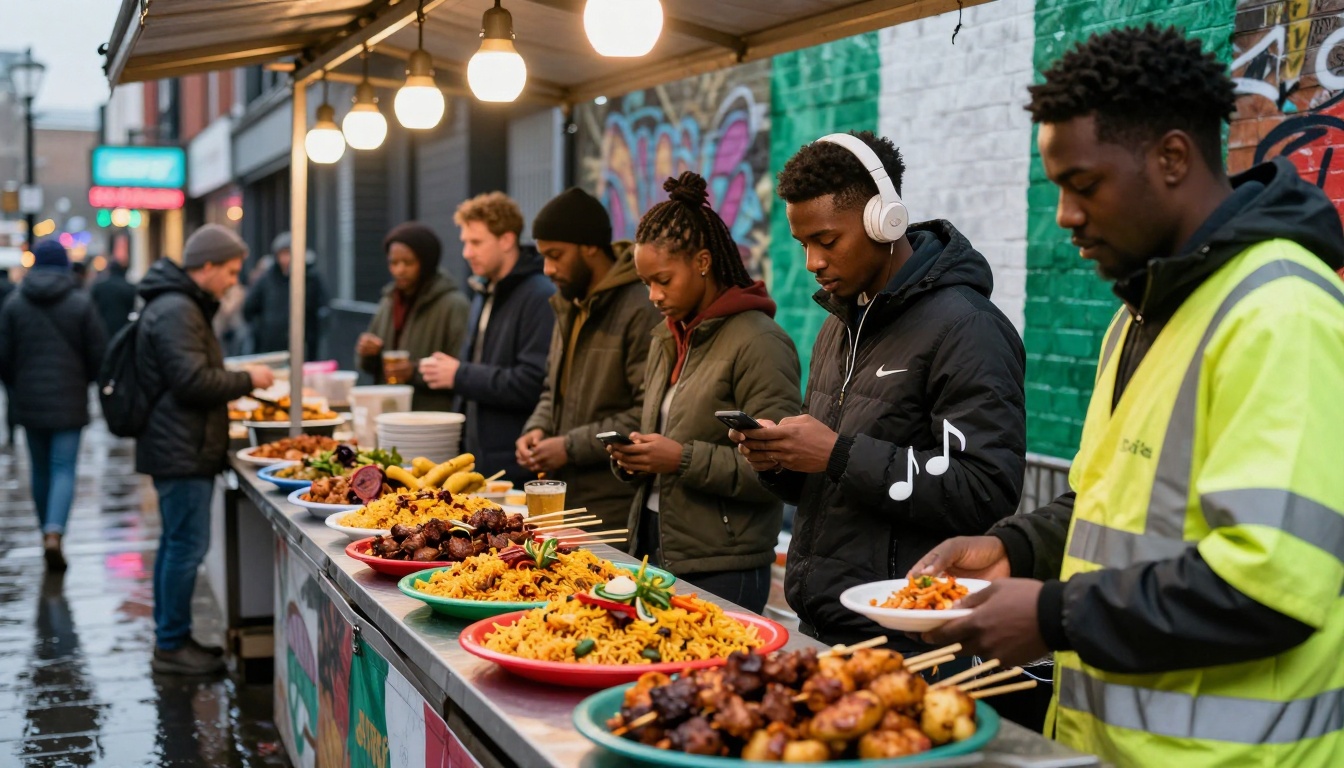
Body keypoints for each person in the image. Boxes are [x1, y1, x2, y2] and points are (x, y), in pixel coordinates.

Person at [913, 27, 1344, 766]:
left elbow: (1275, 586)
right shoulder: (1139, 312)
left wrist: (1053, 616)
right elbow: (1108, 504)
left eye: (1083, 185)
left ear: (1172, 158)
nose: (1065, 216)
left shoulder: (1282, 311)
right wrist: (1013, 548)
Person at [730, 131, 1027, 648]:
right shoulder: (838, 326)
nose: (812, 263)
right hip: (827, 621)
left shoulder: (968, 328)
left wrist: (838, 454)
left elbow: (984, 491)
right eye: (804, 245)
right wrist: (779, 459)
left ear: (884, 220)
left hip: (911, 634)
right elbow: (828, 482)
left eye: (826, 241)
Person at [607, 173, 801, 612]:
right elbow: (660, 433)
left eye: (663, 280)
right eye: (646, 284)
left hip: (724, 564)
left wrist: (679, 459)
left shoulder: (760, 342)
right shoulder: (668, 335)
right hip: (655, 544)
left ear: (702, 261)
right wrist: (635, 458)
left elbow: (777, 471)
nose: (653, 295)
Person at [135, 224, 275, 675]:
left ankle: (172, 638)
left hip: (179, 443)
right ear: (208, 264)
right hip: (181, 447)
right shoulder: (178, 309)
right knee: (184, 547)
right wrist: (246, 379)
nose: (234, 280)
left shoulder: (178, 304)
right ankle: (172, 646)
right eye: (231, 271)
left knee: (176, 544)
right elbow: (191, 381)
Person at [514, 187, 662, 528]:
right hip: (563, 498)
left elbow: (649, 412)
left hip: (612, 506)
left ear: (591, 247)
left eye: (556, 255)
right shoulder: (568, 303)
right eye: (543, 257)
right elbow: (552, 390)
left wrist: (569, 446)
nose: (547, 269)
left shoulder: (640, 308)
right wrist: (536, 429)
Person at [420, 193, 553, 479]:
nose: (467, 252)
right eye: (465, 243)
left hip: (516, 463)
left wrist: (459, 375)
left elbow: (533, 383)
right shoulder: (485, 290)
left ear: (506, 240)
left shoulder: (540, 296)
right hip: (480, 457)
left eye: (476, 242)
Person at [0, 240, 108, 570]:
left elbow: (4, 357)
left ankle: (44, 529)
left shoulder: (15, 304)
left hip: (29, 400)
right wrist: (85, 381)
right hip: (69, 398)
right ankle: (54, 531)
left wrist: (17, 386)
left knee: (40, 467)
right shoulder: (80, 303)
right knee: (63, 467)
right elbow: (98, 353)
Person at [357, 223, 471, 411]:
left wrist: (414, 371)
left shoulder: (453, 304)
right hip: (390, 414)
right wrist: (368, 354)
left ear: (426, 263)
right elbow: (372, 367)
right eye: (393, 263)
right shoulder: (389, 300)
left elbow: (463, 369)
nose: (399, 270)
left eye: (408, 262)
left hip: (431, 418)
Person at [244, 232, 330, 360]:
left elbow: (322, 307)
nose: (286, 259)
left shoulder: (311, 278)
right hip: (271, 346)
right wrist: (261, 329)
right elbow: (249, 307)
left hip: (304, 346)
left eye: (289, 253)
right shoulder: (267, 279)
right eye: (282, 254)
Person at [91, 250, 138, 339]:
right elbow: (132, 308)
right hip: (123, 327)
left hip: (103, 328)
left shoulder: (99, 286)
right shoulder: (129, 287)